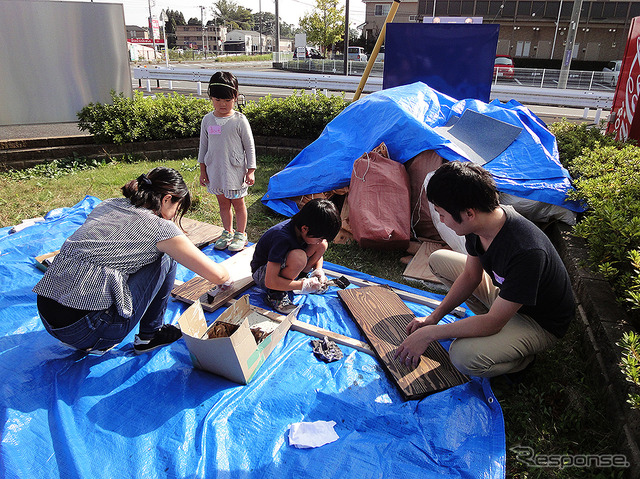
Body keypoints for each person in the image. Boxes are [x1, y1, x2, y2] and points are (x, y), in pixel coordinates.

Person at [394, 161, 575, 379]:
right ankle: (493, 336)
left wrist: (431, 334)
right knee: (439, 259)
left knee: (463, 357)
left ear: (469, 213)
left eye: (442, 214)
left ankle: (520, 360)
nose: (441, 221)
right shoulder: (479, 226)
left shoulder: (526, 251)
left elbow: (493, 322)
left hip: (538, 321)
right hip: (507, 297)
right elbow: (471, 276)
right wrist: (433, 318)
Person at [33, 167, 232, 355]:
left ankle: (93, 333)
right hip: (87, 330)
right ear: (167, 199)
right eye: (177, 207)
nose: (174, 214)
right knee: (166, 257)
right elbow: (217, 275)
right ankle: (149, 336)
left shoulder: (108, 204)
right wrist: (229, 275)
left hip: (47, 317)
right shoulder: (161, 230)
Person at [250, 199, 341, 314]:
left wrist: (318, 270)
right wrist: (303, 285)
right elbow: (270, 281)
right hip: (263, 274)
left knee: (322, 245)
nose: (319, 241)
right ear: (305, 229)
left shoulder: (303, 229)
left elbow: (319, 249)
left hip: (282, 266)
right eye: (319, 237)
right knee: (299, 258)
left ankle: (299, 277)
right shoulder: (282, 238)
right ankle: (275, 295)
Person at [198, 71, 256, 253]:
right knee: (223, 203)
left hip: (235, 170)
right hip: (215, 169)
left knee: (238, 203)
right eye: (217, 100)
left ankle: (240, 233)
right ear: (211, 98)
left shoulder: (240, 120)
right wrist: (203, 170)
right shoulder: (208, 120)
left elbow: (250, 146)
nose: (222, 104)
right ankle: (227, 231)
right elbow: (203, 147)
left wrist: (251, 170)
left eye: (227, 100)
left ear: (235, 97)